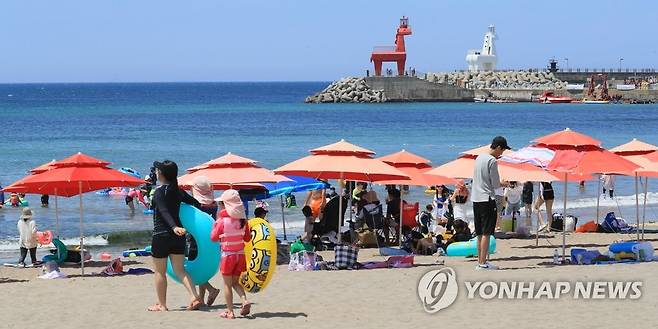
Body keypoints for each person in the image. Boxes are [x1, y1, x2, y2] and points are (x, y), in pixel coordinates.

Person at [148, 160, 202, 312]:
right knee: (180, 270)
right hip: (178, 237)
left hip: (161, 235)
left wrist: (173, 227)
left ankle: (162, 305)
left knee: (160, 272)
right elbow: (196, 203)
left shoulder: (159, 192)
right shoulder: (178, 191)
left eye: (158, 170)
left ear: (161, 174)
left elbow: (163, 210)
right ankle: (193, 296)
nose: (156, 172)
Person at [211, 189, 251, 319]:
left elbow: (213, 237)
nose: (219, 206)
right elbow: (247, 239)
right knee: (235, 282)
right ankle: (244, 300)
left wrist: (216, 226)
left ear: (226, 205)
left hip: (228, 256)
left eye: (220, 204)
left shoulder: (222, 221)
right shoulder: (243, 222)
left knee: (227, 285)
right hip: (240, 256)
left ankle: (230, 311)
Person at [472, 136, 510, 270]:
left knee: (479, 233)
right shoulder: (492, 161)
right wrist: (505, 184)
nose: (502, 153)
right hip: (487, 199)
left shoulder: (478, 158)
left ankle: (480, 261)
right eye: (503, 150)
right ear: (498, 147)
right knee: (487, 233)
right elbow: (495, 183)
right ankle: (483, 263)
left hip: (476, 198)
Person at [189, 176, 220, 306]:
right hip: (210, 240)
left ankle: (211, 289)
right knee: (203, 268)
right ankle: (201, 298)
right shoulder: (214, 204)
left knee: (193, 270)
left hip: (196, 241)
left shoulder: (196, 205)